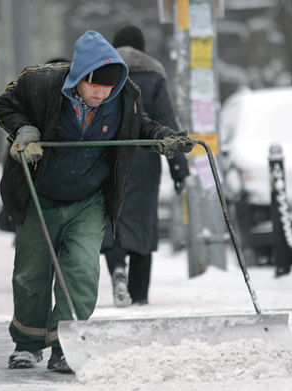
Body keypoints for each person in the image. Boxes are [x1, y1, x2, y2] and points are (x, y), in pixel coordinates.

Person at [0, 30, 194, 373]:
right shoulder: (41, 83)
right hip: (39, 195)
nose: (102, 93)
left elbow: (137, 125)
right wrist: (25, 131)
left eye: (108, 88)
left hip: (88, 200)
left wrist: (162, 138)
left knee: (82, 271)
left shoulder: (123, 96)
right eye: (95, 86)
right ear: (79, 77)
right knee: (31, 274)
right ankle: (27, 343)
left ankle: (64, 344)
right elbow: (4, 104)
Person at [100, 26, 190, 307]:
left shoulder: (103, 72)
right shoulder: (153, 74)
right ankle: (139, 296)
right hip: (145, 160)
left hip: (109, 158)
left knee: (111, 217)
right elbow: (167, 122)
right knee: (142, 223)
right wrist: (179, 168)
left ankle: (116, 268)